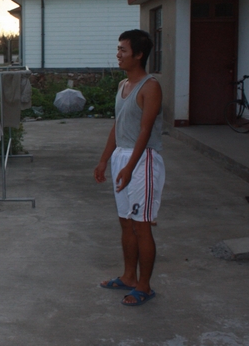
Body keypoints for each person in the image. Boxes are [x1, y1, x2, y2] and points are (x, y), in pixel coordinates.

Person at [94, 29, 165, 307]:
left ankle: (144, 286)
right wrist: (105, 160)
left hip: (143, 160)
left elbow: (145, 131)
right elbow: (118, 124)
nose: (118, 54)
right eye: (118, 49)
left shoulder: (150, 87)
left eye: (123, 50)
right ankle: (128, 277)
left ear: (139, 54)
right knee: (126, 221)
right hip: (121, 157)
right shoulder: (123, 85)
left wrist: (131, 167)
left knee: (141, 225)